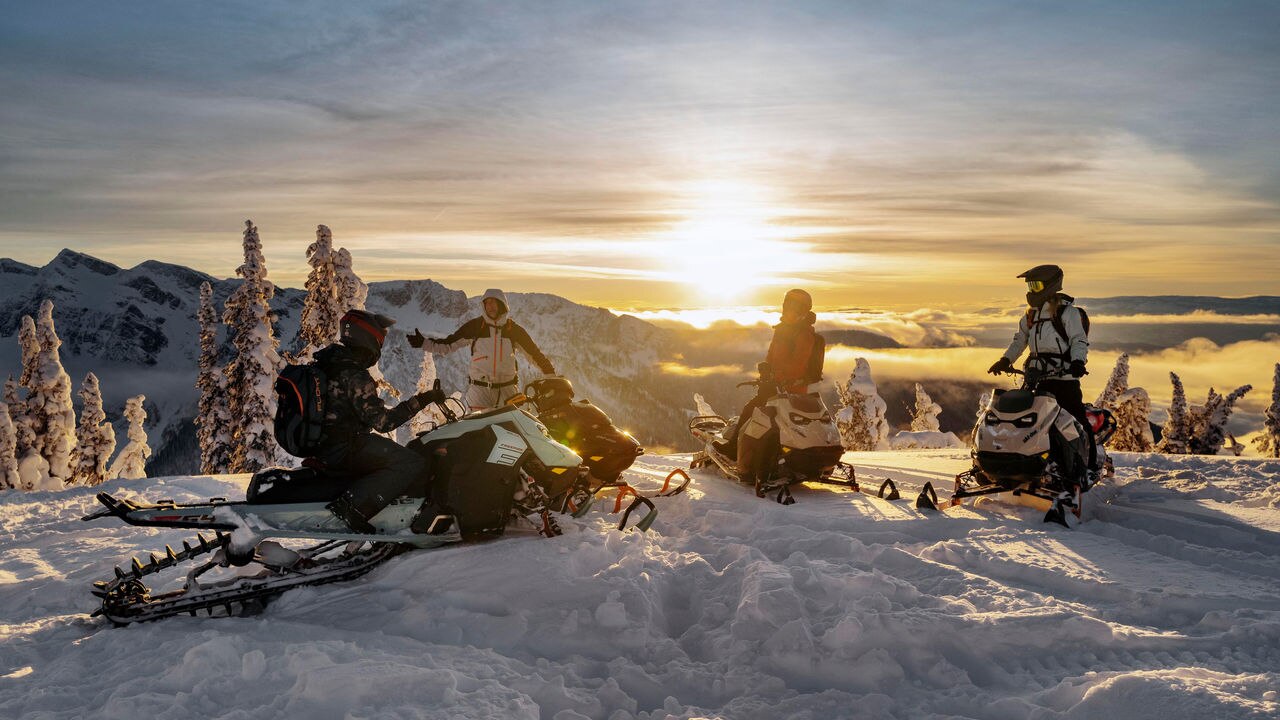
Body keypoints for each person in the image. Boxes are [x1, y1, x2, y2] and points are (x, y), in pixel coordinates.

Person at [316, 310, 446, 532]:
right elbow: (383, 422)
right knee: (411, 461)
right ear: (367, 337)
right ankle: (353, 507)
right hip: (345, 446)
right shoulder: (353, 372)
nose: (381, 343)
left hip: (327, 443)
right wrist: (420, 402)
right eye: (379, 338)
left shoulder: (330, 363)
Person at [988, 264, 1096, 479]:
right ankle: (1031, 463)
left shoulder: (1067, 313)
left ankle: (1090, 464)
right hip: (1038, 377)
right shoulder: (1031, 315)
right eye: (1029, 285)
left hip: (1064, 377)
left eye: (1035, 285)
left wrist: (1077, 362)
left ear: (1050, 286)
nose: (1031, 290)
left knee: (1076, 418)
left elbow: (1078, 339)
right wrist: (1005, 360)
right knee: (1033, 422)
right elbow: (1020, 340)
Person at [716, 288, 826, 459]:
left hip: (789, 390)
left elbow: (798, 365)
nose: (789, 309)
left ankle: (733, 450)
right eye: (787, 304)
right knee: (762, 419)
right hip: (776, 386)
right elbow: (772, 356)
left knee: (750, 411)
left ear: (803, 309)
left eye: (794, 305)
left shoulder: (803, 334)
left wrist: (775, 376)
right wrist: (766, 370)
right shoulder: (784, 329)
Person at [408, 289, 555, 411]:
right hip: (480, 391)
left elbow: (534, 354)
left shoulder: (513, 330)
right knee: (477, 434)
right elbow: (448, 344)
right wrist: (424, 343)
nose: (490, 306)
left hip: (508, 391)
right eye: (487, 303)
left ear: (502, 305)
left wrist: (552, 377)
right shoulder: (476, 327)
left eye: (494, 302)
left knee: (511, 432)